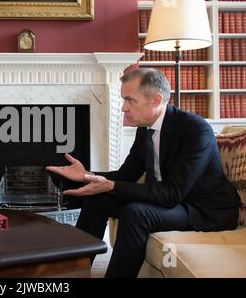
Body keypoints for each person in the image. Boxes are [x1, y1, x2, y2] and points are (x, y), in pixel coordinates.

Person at [47, 68, 240, 278]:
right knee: (97, 200)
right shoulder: (145, 129)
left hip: (201, 209)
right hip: (172, 201)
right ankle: (73, 273)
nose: (123, 108)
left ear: (156, 100)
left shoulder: (195, 129)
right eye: (123, 100)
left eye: (130, 100)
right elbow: (126, 175)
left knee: (137, 213)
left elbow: (171, 194)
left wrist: (111, 186)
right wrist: (87, 175)